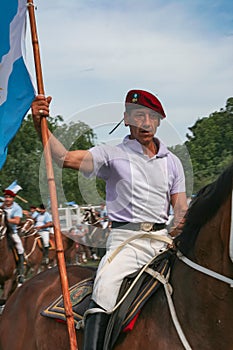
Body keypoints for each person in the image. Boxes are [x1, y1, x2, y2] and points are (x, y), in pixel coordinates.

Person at [31, 89, 188, 349]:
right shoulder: (110, 154)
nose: (145, 123)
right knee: (104, 288)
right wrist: (40, 124)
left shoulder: (172, 162)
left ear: (159, 121)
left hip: (162, 240)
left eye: (151, 117)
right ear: (126, 119)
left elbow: (180, 207)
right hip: (126, 242)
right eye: (138, 116)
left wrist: (181, 229)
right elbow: (63, 158)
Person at [1, 189, 25, 284]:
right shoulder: (1, 206)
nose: (7, 199)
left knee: (20, 247)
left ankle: (20, 272)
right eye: (6, 197)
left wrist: (5, 220)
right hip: (0, 232)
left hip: (11, 232)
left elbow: (17, 221)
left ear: (13, 199)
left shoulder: (17, 208)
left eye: (9, 197)